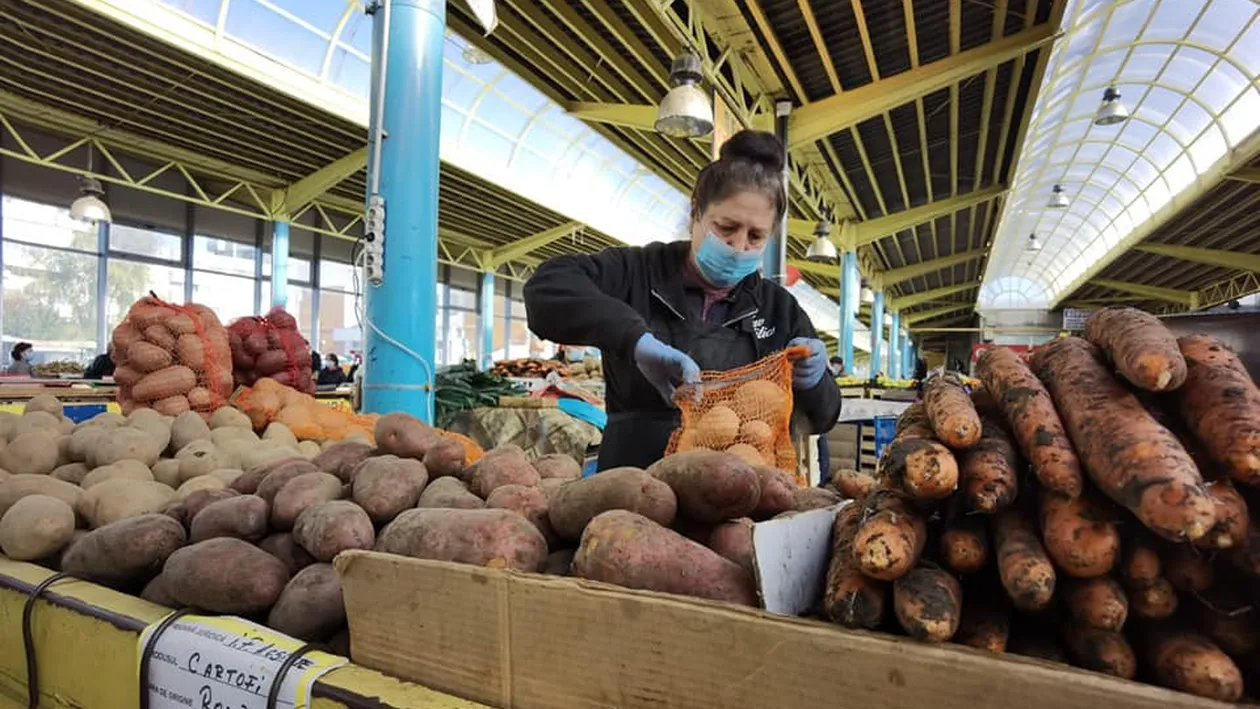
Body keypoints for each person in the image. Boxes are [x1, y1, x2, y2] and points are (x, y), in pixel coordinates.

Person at [524, 130, 842, 471]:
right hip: (632, 478)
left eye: (755, 236)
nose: (738, 246)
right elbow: (546, 288)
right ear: (696, 214)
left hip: (736, 486)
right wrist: (635, 340)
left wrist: (814, 381)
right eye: (726, 227)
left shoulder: (778, 310)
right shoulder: (637, 272)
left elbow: (823, 417)